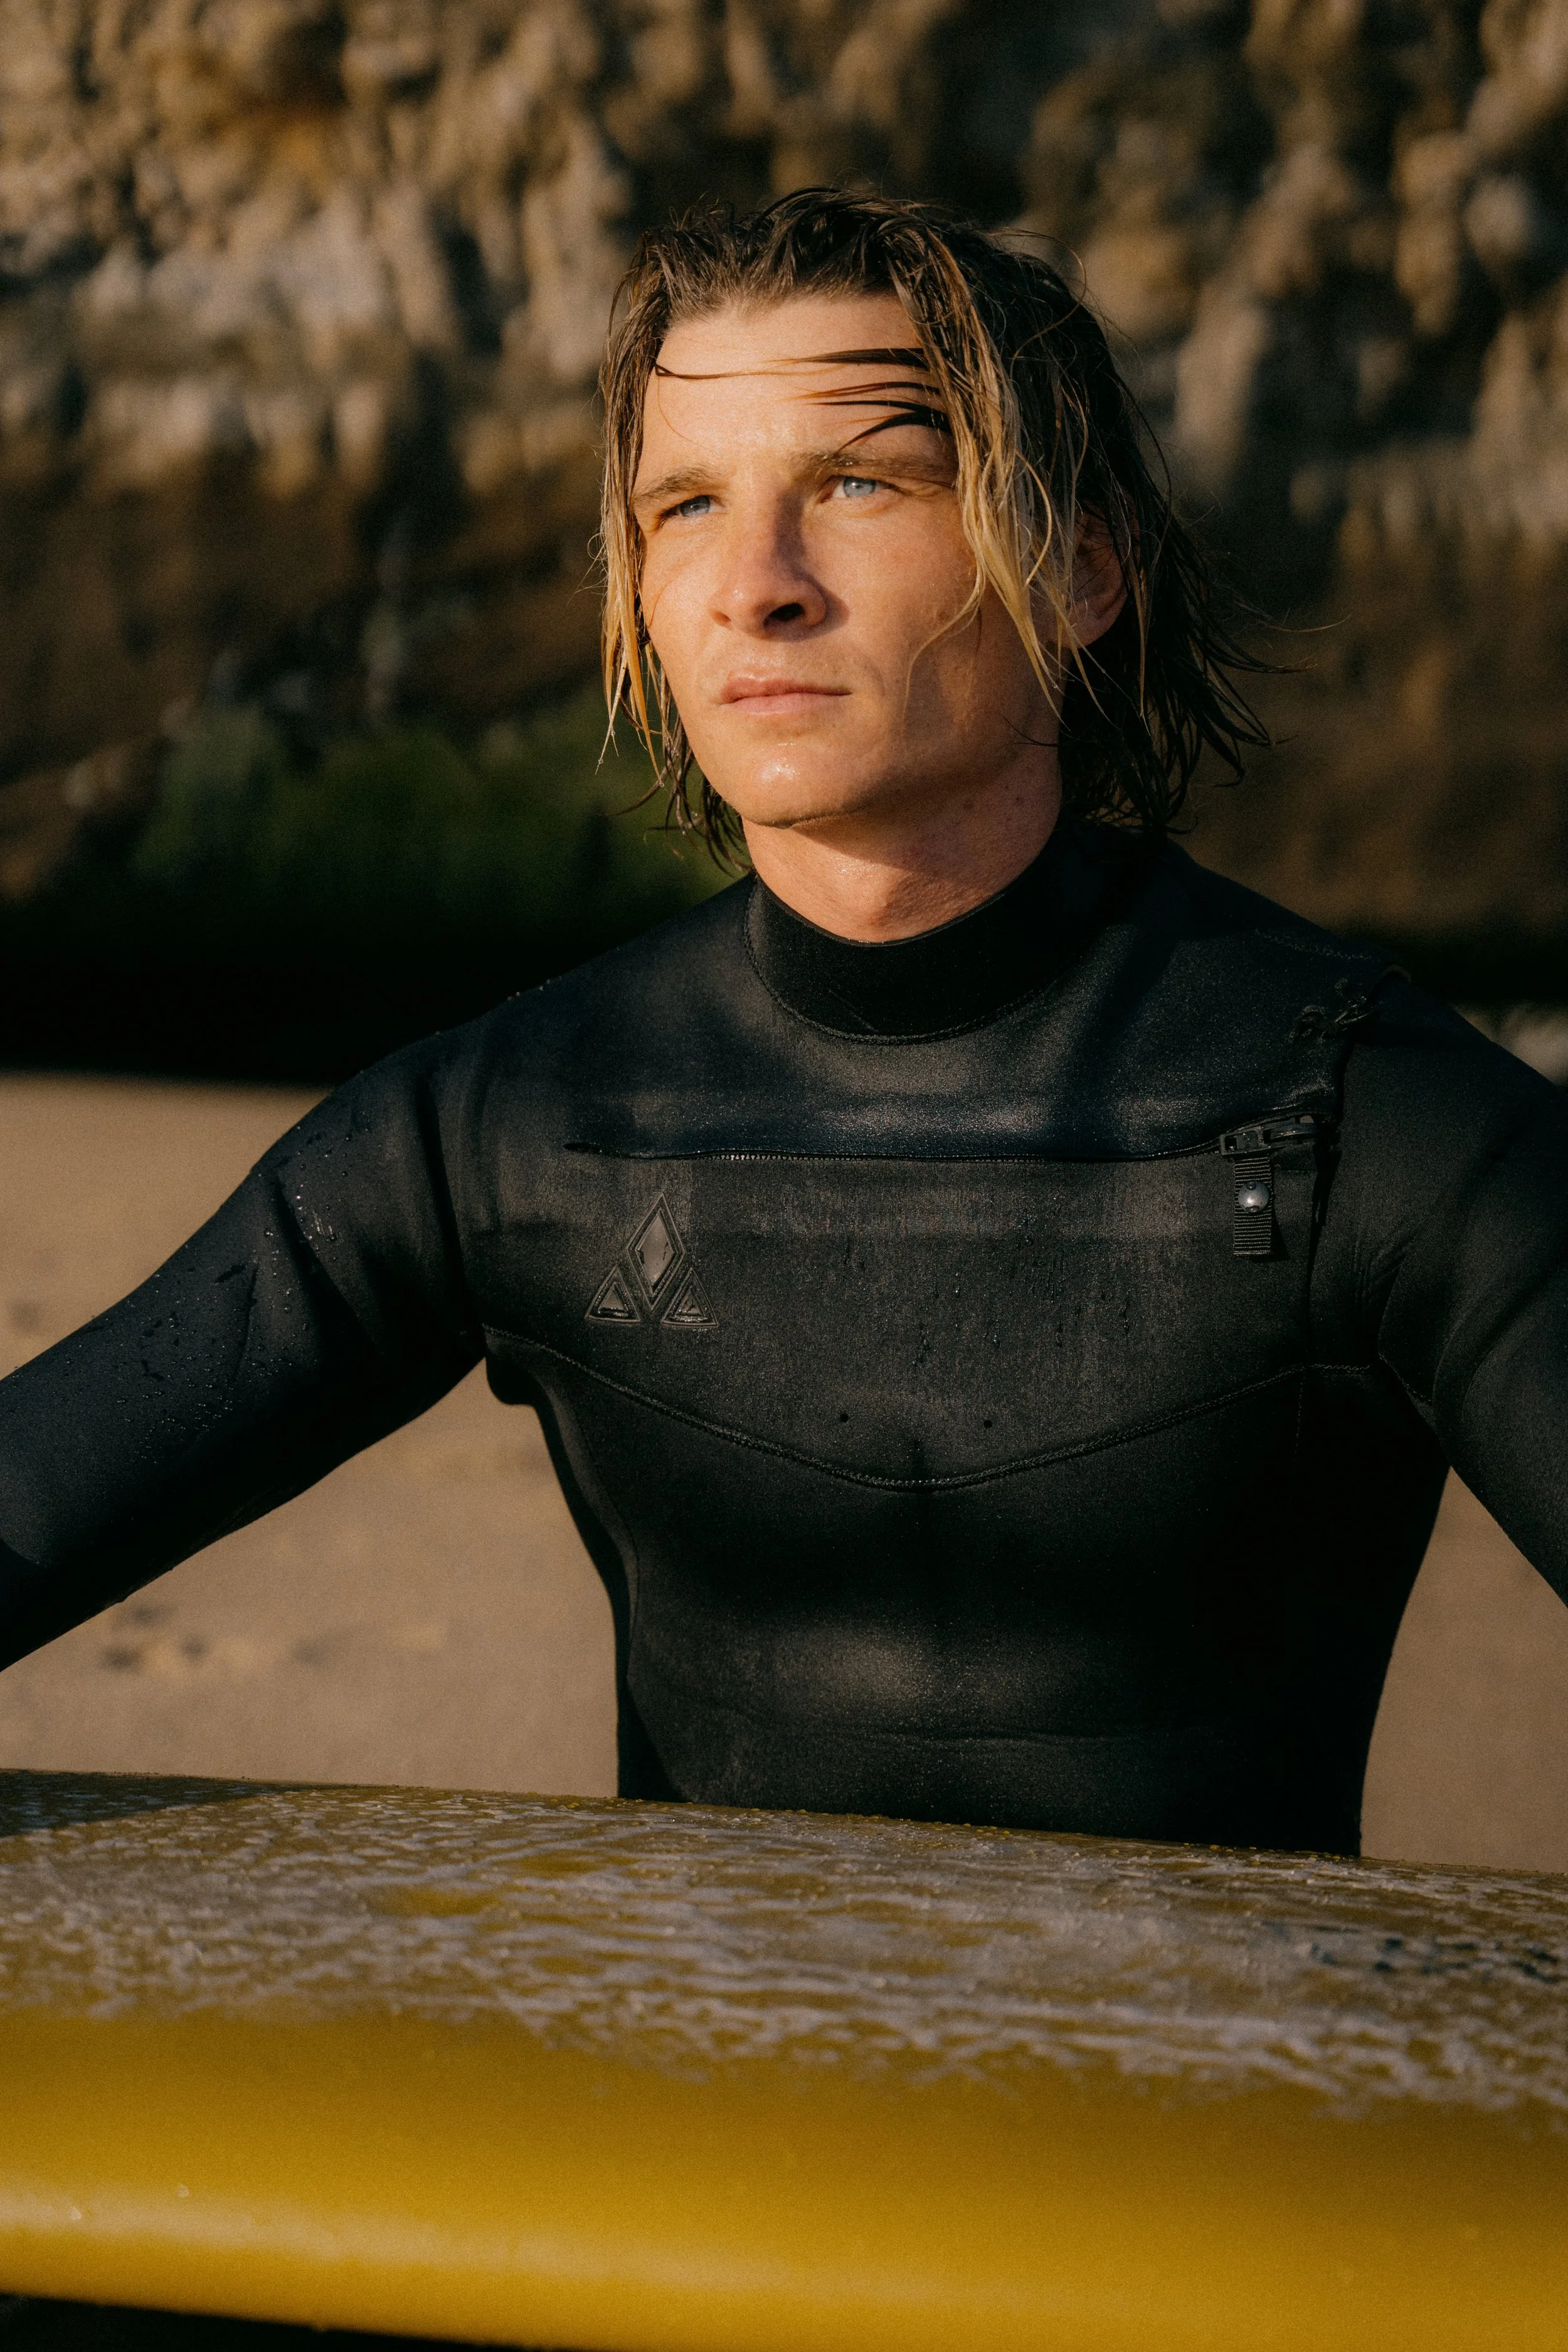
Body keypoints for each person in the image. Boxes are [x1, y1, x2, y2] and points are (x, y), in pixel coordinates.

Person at [1, 190, 1564, 1857]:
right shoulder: (524, 1126)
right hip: (703, 2107)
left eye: (856, 484)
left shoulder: (1360, 1122)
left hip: (1221, 2112)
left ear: (1080, 567)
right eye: (686, 505)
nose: (757, 585)